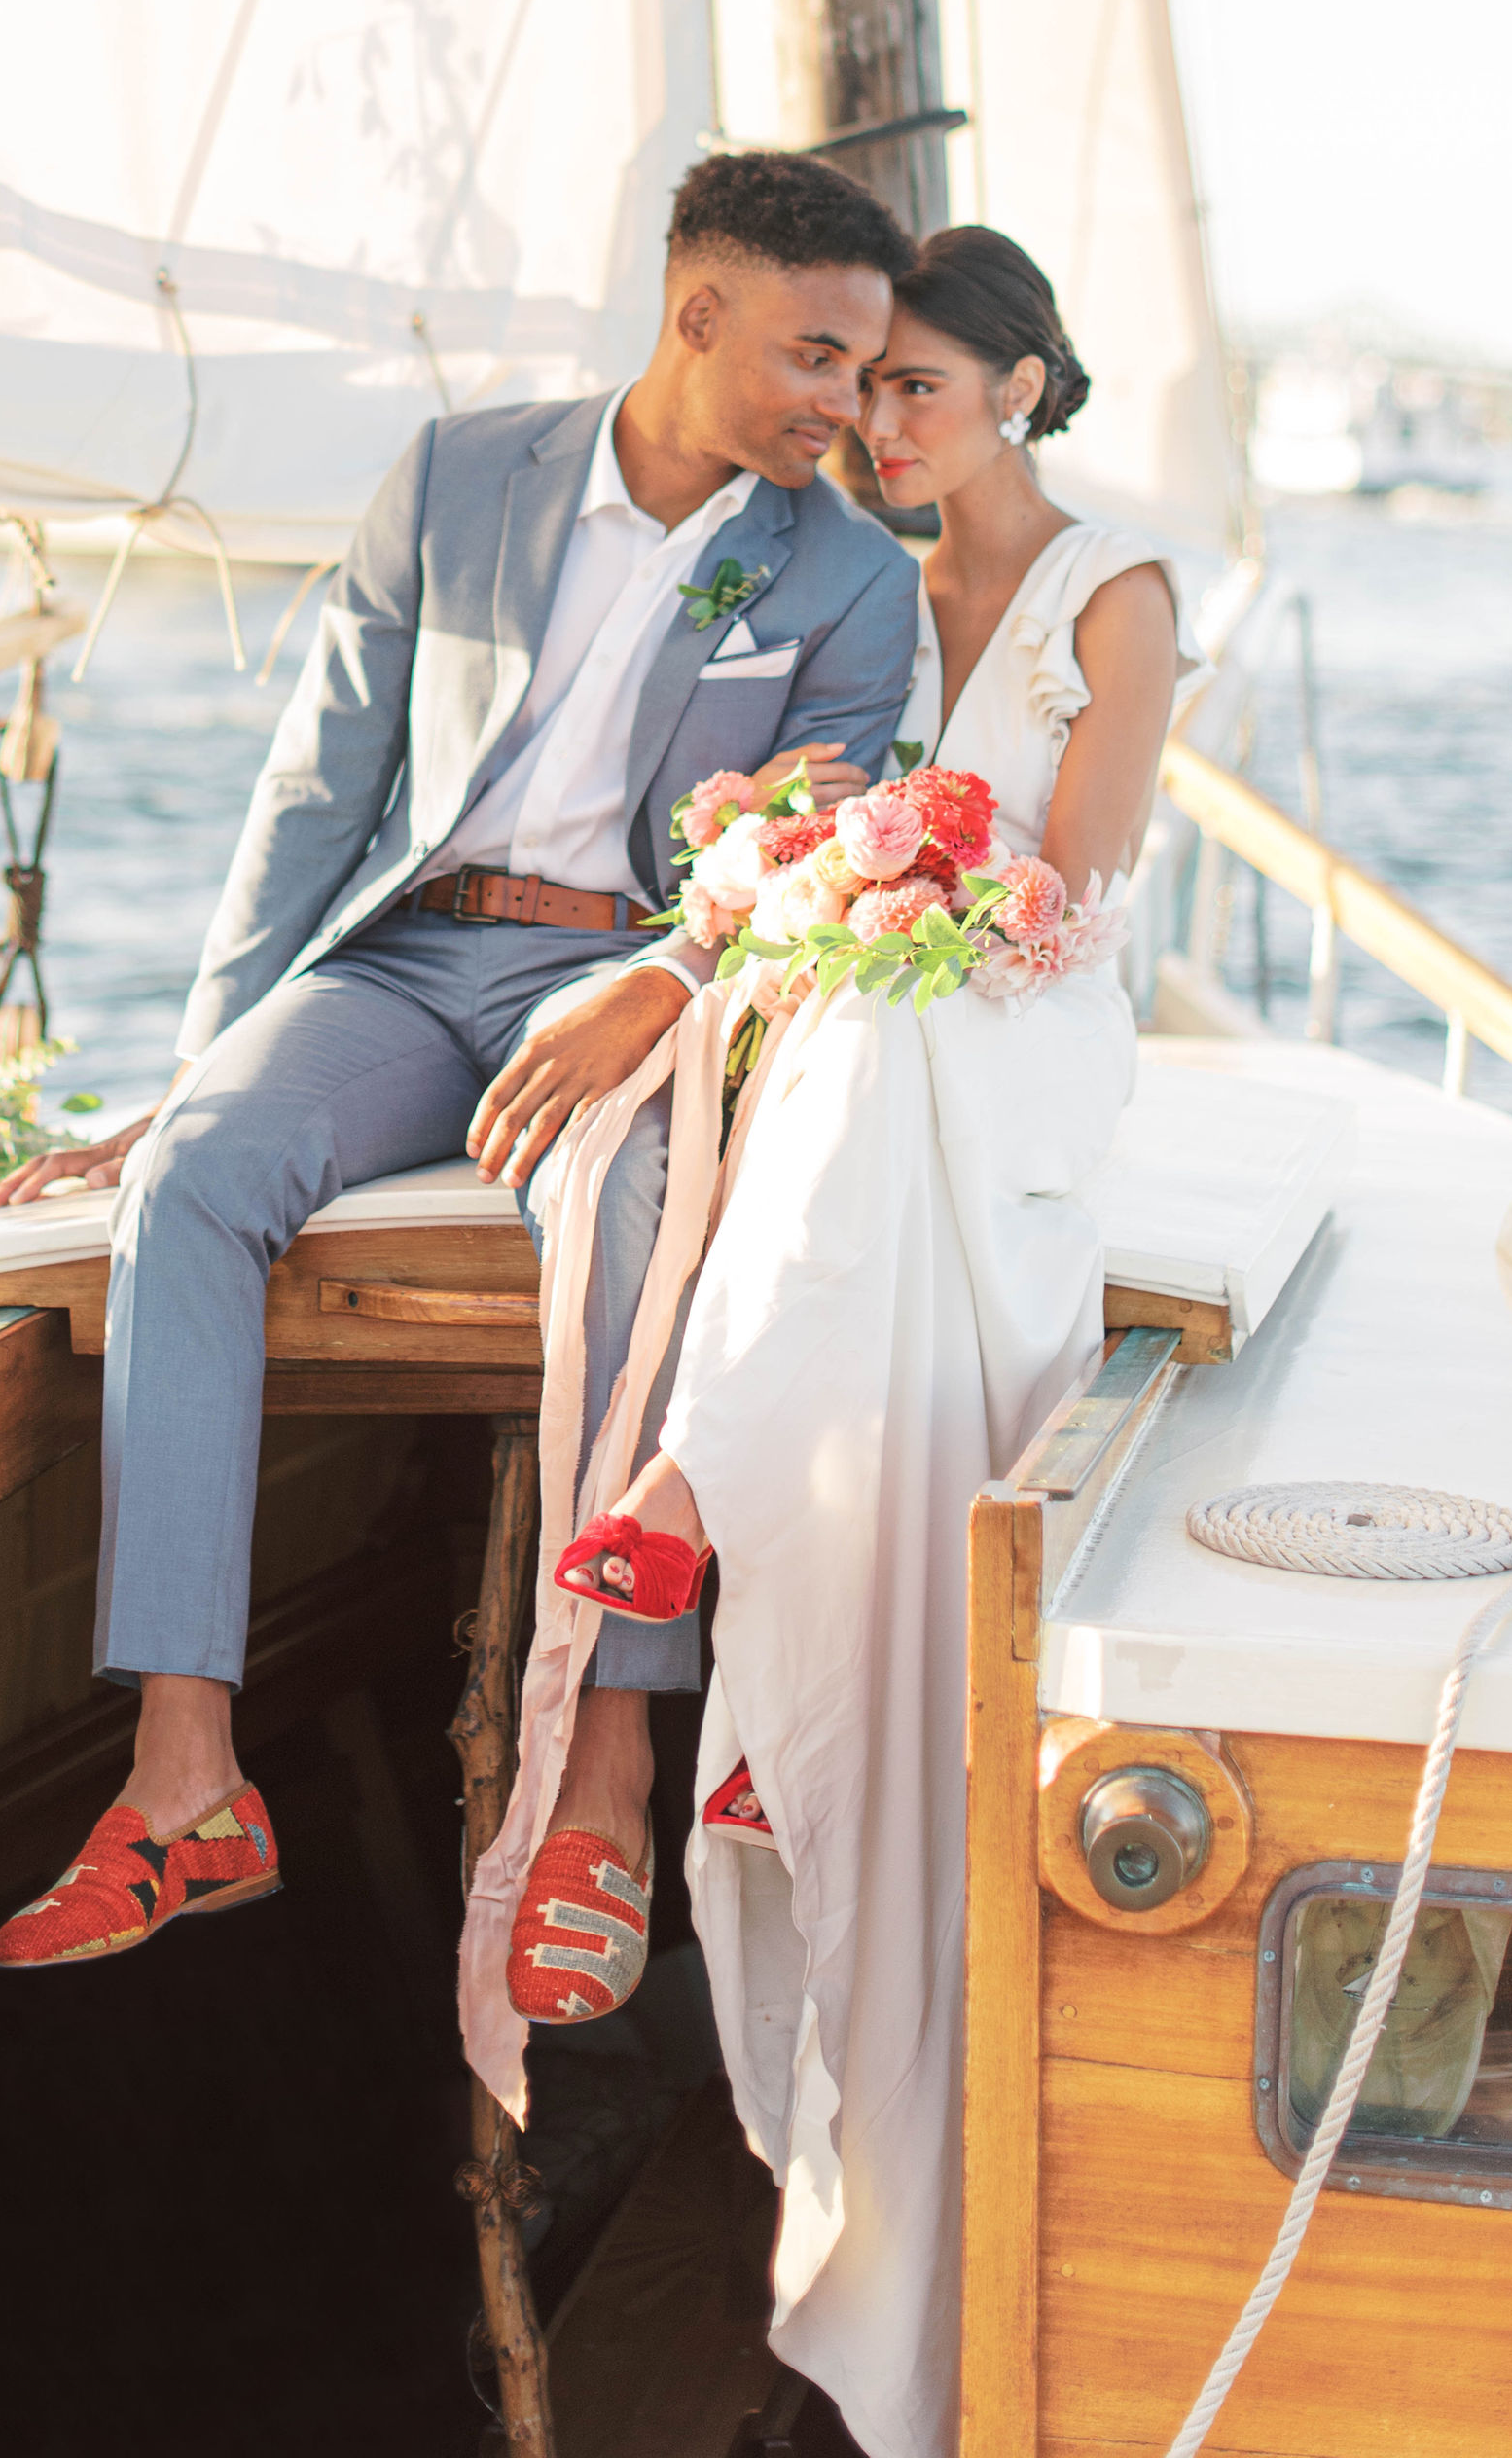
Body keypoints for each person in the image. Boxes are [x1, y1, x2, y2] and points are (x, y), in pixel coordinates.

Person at [0, 151, 924, 1968]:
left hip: (641, 978)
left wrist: (668, 980)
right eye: (813, 357)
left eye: (864, 371)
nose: (839, 408)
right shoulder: (458, 478)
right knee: (188, 1187)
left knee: (629, 1214)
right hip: (414, 962)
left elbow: (814, 854)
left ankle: (610, 1780)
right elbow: (321, 786)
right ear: (696, 314)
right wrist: (196, 1067)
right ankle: (186, 1784)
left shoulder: (852, 583)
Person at [460, 225, 1206, 2457]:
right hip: (903, 1000)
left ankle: (699, 1479)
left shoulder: (1118, 589)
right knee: (819, 1043)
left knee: (864, 1051)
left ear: (1027, 394)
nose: (885, 429)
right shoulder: (867, 593)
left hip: (1035, 1029)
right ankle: (727, 1534)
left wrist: (879, 899)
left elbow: (1068, 894)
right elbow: (808, 829)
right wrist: (806, 895)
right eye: (873, 394)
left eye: (927, 394)